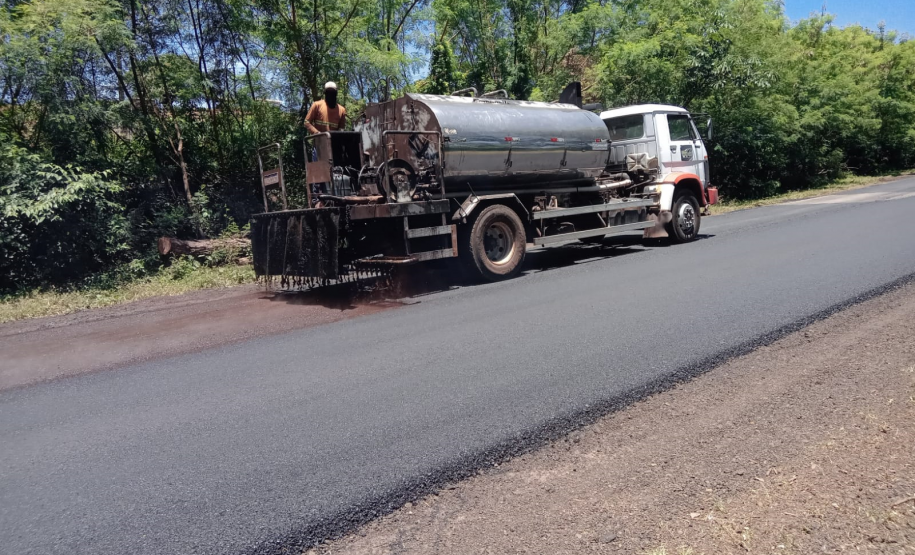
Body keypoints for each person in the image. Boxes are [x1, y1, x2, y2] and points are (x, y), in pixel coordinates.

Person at [304, 82, 347, 204]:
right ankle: (316, 198)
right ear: (325, 93)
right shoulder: (317, 105)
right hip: (319, 145)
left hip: (333, 146)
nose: (331, 95)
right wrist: (317, 133)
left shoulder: (341, 110)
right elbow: (307, 122)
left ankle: (335, 195)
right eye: (329, 92)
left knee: (335, 170)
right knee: (318, 170)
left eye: (333, 93)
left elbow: (341, 129)